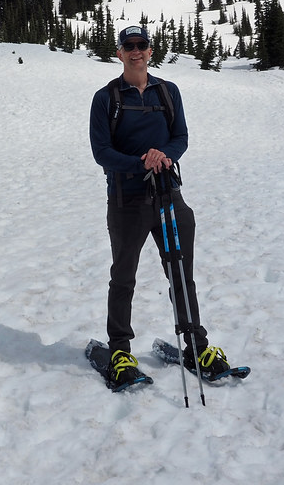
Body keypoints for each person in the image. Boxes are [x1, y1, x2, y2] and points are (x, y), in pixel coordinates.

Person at [88, 25, 230, 388]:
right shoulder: (106, 98)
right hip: (127, 201)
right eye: (129, 46)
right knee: (123, 277)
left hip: (169, 197)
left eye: (142, 45)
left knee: (181, 275)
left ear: (151, 51)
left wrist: (163, 155)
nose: (136, 51)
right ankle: (120, 350)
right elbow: (101, 153)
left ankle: (196, 345)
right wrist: (143, 161)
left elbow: (180, 137)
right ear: (119, 53)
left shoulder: (168, 92)